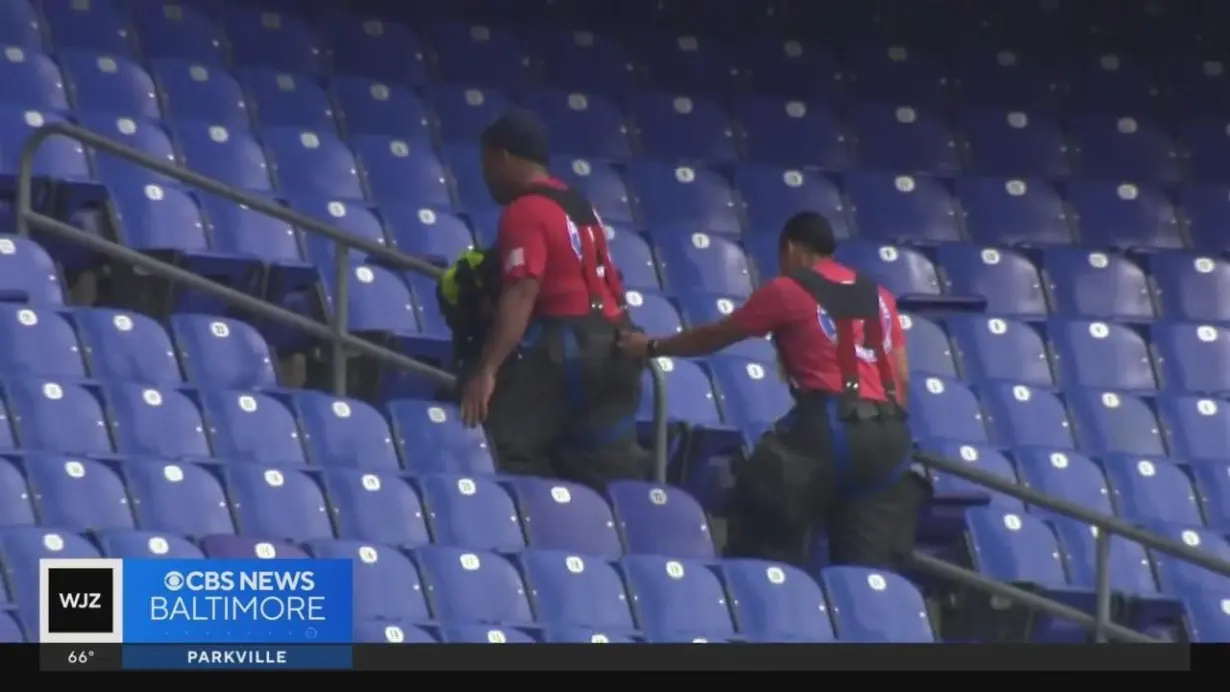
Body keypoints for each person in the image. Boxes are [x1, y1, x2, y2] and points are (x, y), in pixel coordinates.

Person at [618, 212, 930, 569]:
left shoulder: (790, 288)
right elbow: (901, 376)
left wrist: (653, 346)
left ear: (791, 249)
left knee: (764, 506)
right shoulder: (880, 296)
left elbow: (716, 335)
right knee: (866, 562)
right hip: (891, 436)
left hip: (832, 425)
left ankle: (768, 598)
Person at [457, 109, 651, 491]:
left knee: (509, 445)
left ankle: (530, 539)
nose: (486, 176)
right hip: (616, 343)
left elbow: (522, 289)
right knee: (602, 465)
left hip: (568, 347)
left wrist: (488, 369)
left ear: (504, 158)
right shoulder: (579, 203)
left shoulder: (524, 210)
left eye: (487, 163)